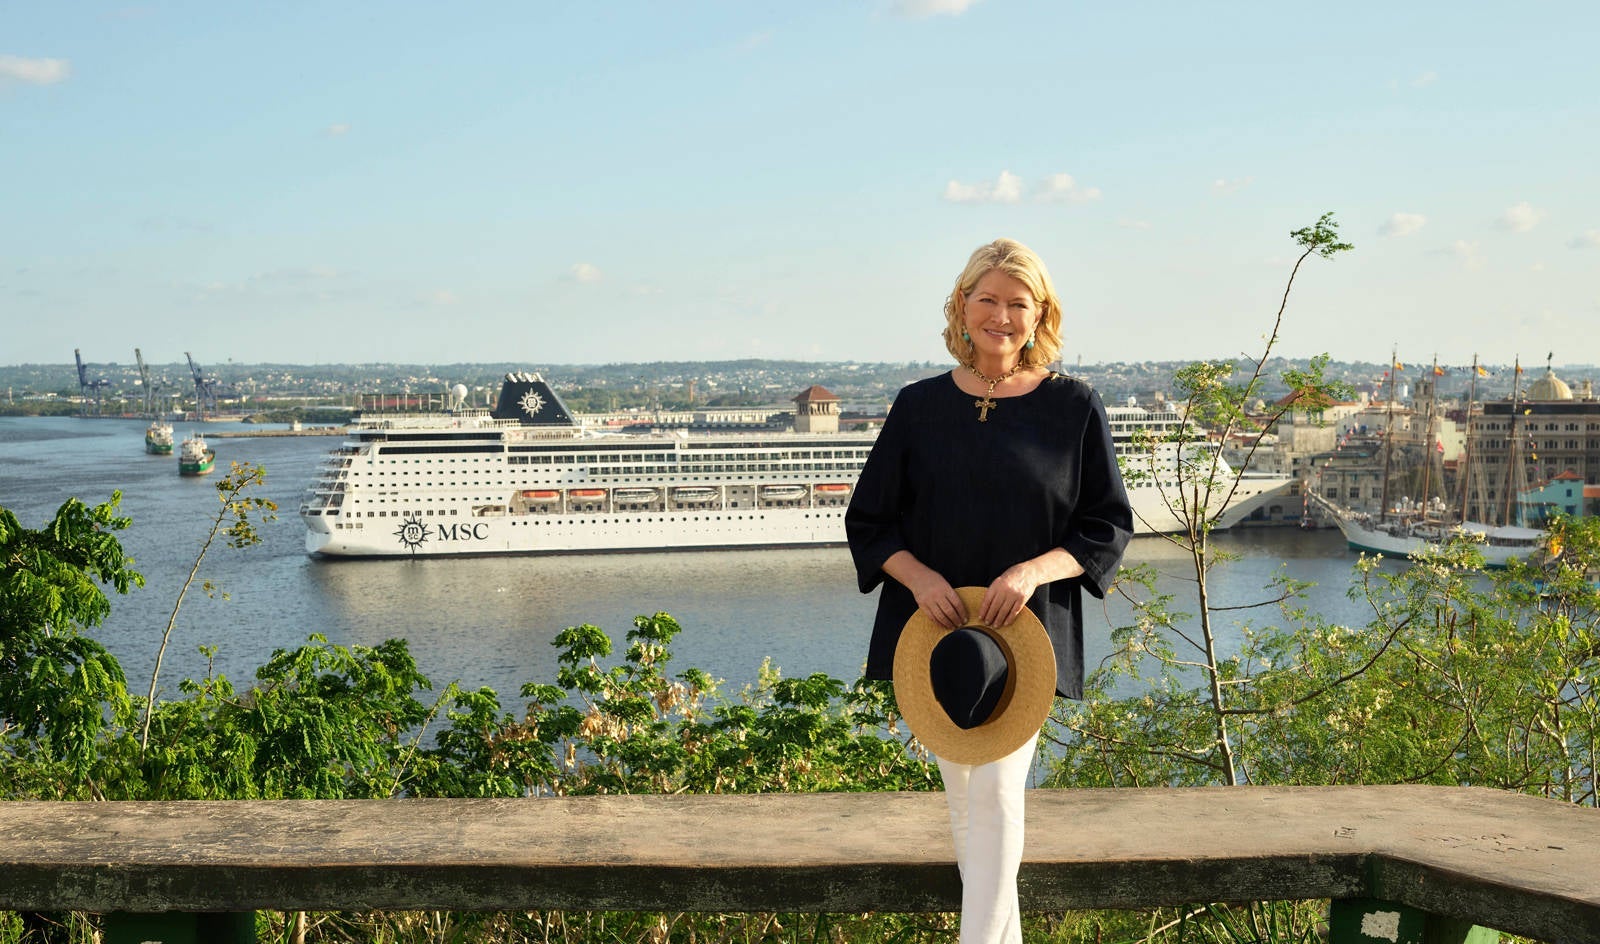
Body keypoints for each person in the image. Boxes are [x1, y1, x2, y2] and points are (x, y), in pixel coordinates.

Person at [845, 238, 1132, 944]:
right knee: (966, 799)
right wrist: (921, 579)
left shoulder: (1073, 406)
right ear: (962, 305)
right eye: (988, 299)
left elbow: (1107, 525)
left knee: (998, 791)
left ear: (1040, 314)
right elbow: (870, 522)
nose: (1001, 316)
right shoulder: (918, 406)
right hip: (936, 632)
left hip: (1027, 636)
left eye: (1018, 303)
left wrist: (1032, 572)